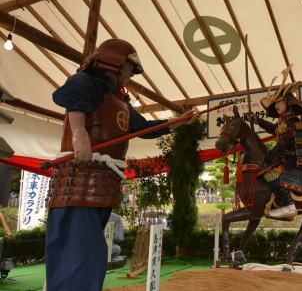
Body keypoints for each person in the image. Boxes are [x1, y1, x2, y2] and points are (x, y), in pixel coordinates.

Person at [45, 39, 197, 291]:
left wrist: (178, 122)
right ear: (114, 64)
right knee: (80, 255)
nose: (130, 76)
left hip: (102, 186)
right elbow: (72, 95)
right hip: (78, 184)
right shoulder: (86, 82)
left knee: (91, 256)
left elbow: (147, 130)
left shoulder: (121, 104)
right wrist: (79, 135)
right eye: (130, 69)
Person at [252, 67, 302, 218]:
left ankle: (289, 204)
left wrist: (271, 153)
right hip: (284, 157)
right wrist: (258, 120)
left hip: (292, 158)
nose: (276, 106)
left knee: (269, 175)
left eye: (278, 102)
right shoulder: (282, 121)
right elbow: (274, 130)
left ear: (287, 102)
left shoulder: (293, 121)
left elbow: (285, 141)